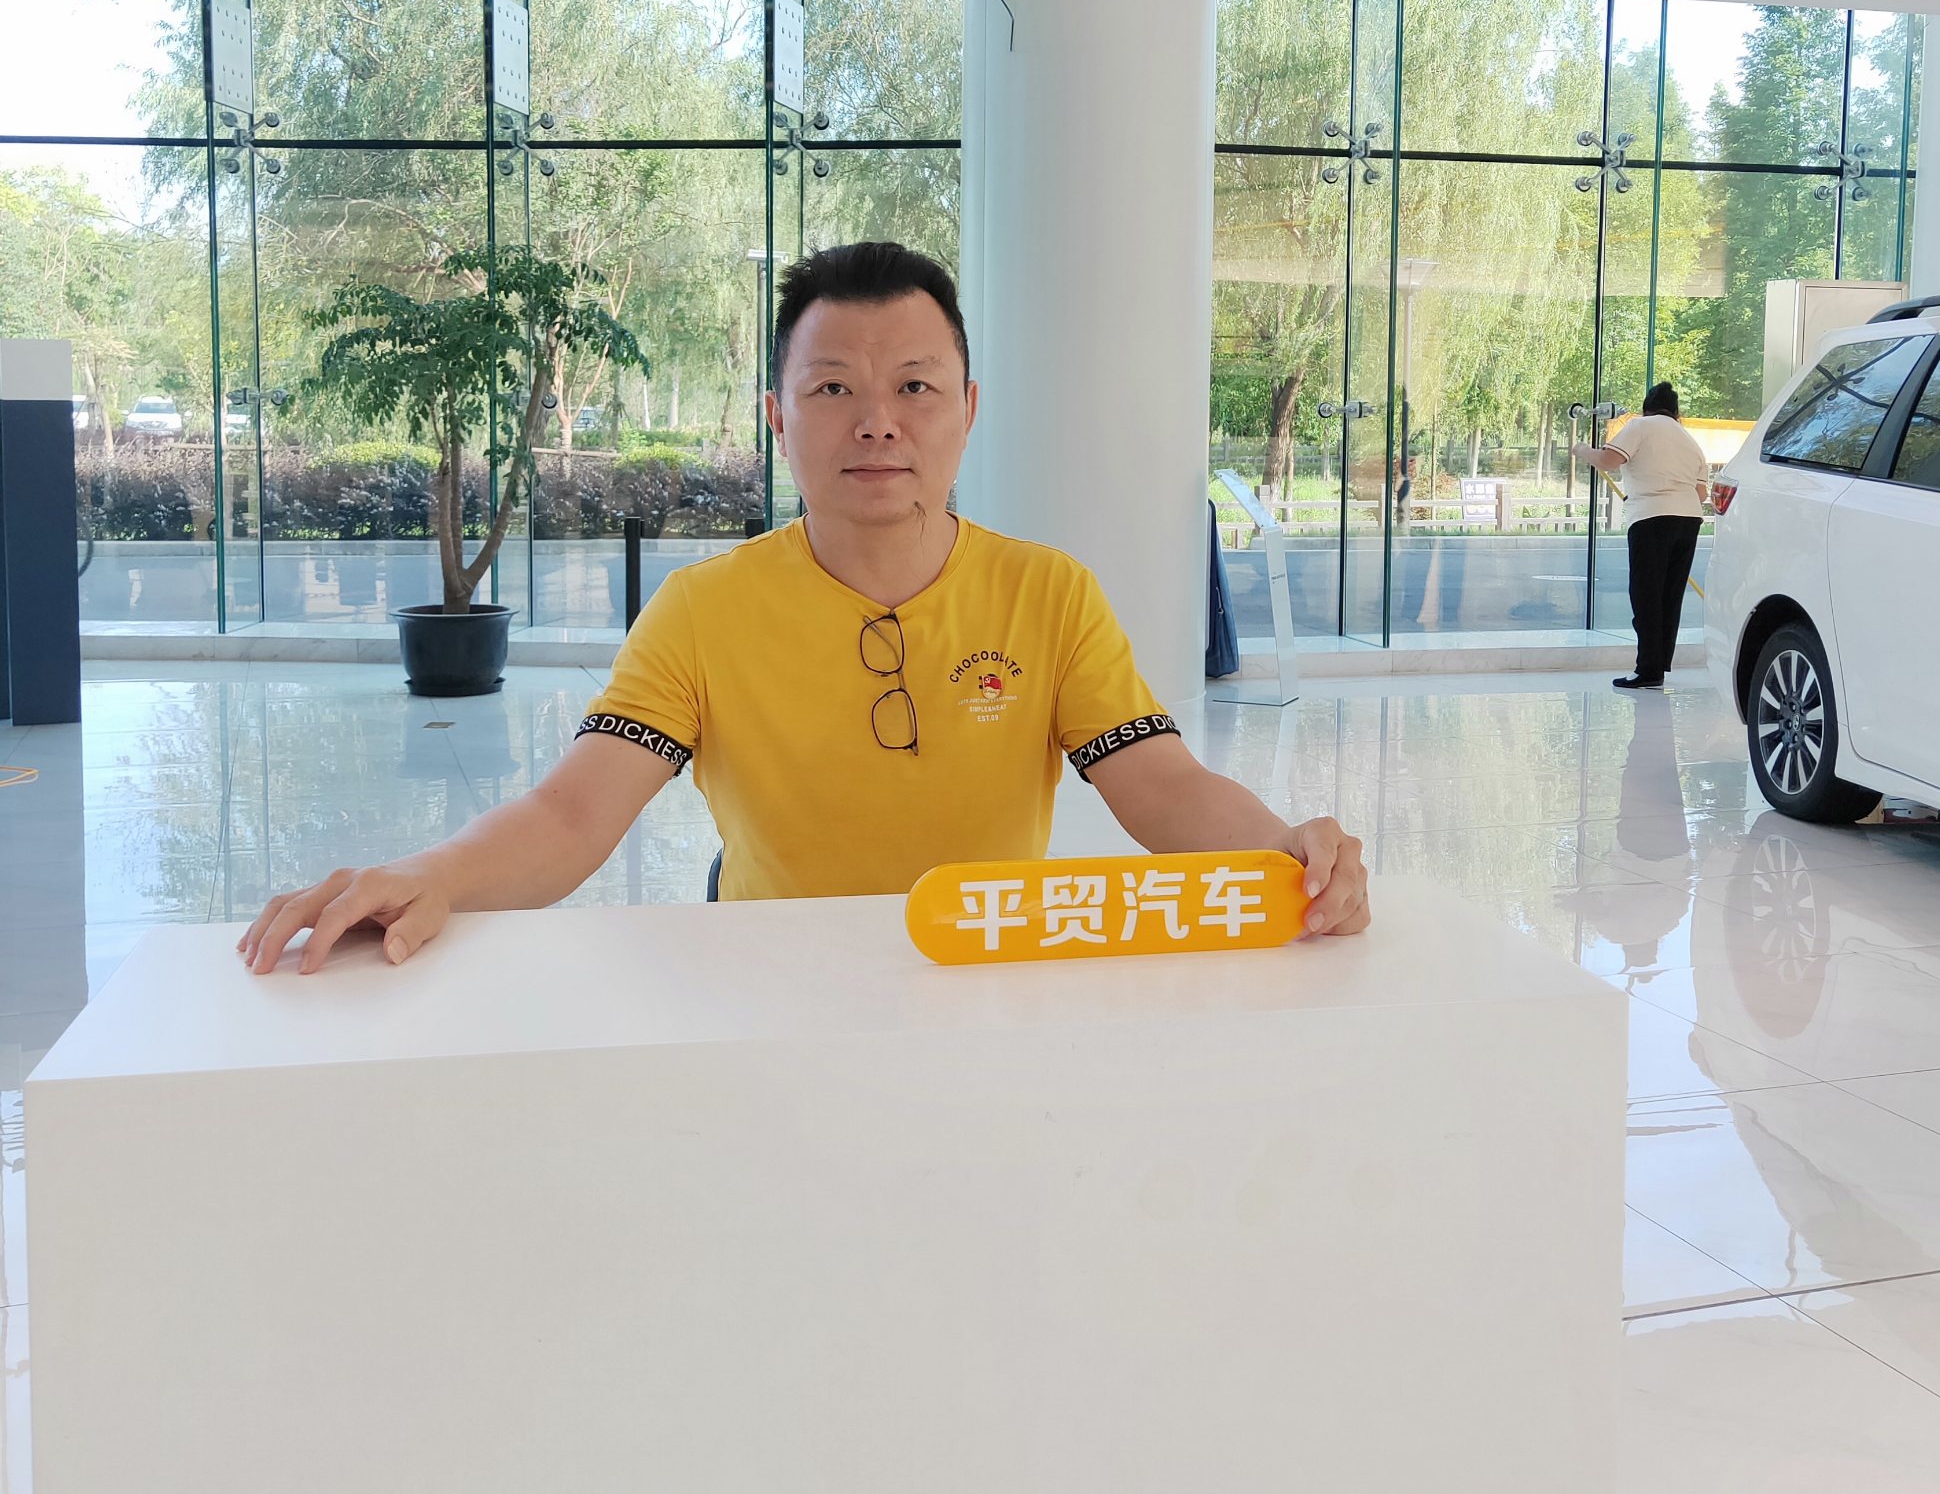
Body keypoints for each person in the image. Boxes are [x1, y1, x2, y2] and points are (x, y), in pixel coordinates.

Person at [241, 242, 1370, 973]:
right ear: (778, 415)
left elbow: (1161, 785)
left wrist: (1287, 856)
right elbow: (572, 815)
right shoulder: (703, 610)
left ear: (967, 409)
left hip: (981, 980)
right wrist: (434, 874)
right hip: (770, 982)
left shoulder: (1047, 593)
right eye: (833, 388)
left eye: (915, 387)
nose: (877, 422)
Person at [1583, 381, 1711, 692]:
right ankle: (1658, 665)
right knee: (1670, 595)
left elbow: (1609, 461)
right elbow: (1701, 492)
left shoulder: (1640, 426)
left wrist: (1582, 450)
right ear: (1676, 411)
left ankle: (1648, 670)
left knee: (1646, 594)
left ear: (1646, 408)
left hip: (1652, 517)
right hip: (1689, 519)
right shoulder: (1689, 440)